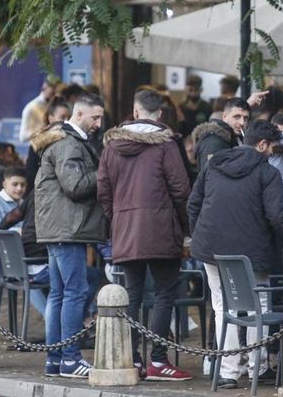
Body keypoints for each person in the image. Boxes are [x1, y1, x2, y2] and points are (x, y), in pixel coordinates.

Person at [188, 120, 283, 389]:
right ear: (262, 144)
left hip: (210, 249)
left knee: (222, 308)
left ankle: (228, 372)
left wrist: (199, 235)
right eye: (272, 148)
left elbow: (193, 203)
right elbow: (278, 218)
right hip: (252, 252)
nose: (273, 153)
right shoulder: (267, 174)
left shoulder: (214, 164)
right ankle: (258, 367)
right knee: (259, 308)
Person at [98, 90, 192, 380]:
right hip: (161, 228)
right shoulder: (166, 144)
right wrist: (185, 228)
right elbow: (181, 189)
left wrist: (118, 218)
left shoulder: (112, 144)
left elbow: (102, 188)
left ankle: (133, 358)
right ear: (159, 114)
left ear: (135, 112)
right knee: (165, 293)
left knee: (133, 295)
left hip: (126, 229)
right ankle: (158, 361)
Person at [35, 93, 106, 379]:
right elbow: (75, 185)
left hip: (58, 228)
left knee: (59, 294)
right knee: (73, 293)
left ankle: (56, 359)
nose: (99, 124)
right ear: (79, 115)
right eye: (95, 117)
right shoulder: (69, 144)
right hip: (69, 229)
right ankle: (69, 359)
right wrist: (104, 171)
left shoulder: (60, 141)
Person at [191, 97, 249, 173]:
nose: (242, 122)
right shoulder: (213, 142)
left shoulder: (235, 137)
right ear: (224, 117)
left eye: (245, 118)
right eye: (237, 117)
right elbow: (211, 177)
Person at [25, 98, 71, 193]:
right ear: (51, 118)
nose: (66, 121)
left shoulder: (73, 139)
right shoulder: (38, 142)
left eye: (69, 117)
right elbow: (31, 174)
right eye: (62, 117)